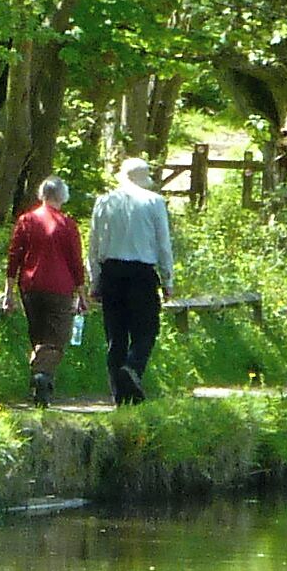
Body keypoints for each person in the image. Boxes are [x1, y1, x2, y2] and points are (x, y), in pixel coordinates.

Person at [86, 151, 176, 405]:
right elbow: (163, 243)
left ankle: (120, 395)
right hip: (141, 273)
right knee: (146, 329)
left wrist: (95, 280)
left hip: (111, 272)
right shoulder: (154, 202)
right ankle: (133, 369)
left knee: (115, 335)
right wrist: (167, 279)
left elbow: (94, 245)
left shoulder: (103, 202)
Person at [4, 174, 85, 406]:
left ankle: (39, 388)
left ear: (41, 195)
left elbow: (14, 257)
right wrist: (82, 293)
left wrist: (9, 291)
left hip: (30, 287)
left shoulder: (26, 220)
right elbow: (75, 262)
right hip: (60, 288)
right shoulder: (67, 224)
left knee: (38, 337)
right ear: (62, 197)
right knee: (56, 339)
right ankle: (42, 378)